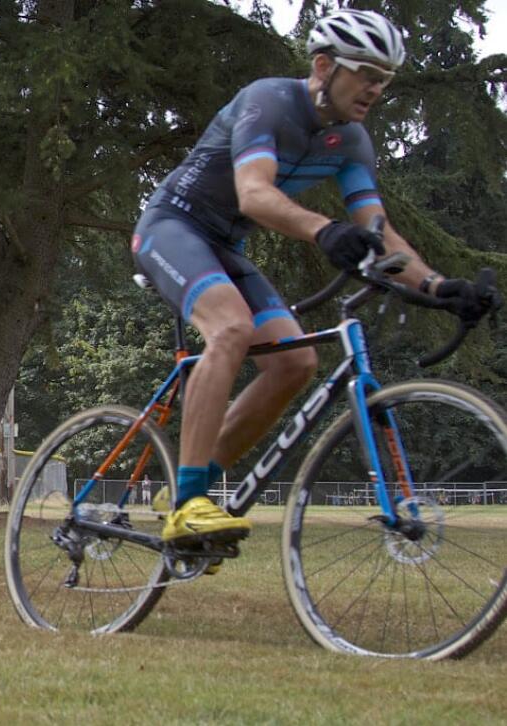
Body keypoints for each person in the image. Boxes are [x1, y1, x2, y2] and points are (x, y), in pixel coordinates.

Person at [130, 9, 501, 546]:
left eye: (384, 79)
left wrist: (440, 287)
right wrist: (325, 231)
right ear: (324, 66)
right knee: (231, 328)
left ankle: (190, 489)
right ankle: (187, 505)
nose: (376, 88)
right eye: (366, 73)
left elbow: (379, 231)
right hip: (171, 226)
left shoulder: (351, 142)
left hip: (225, 247)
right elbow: (253, 194)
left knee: (295, 361)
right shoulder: (270, 101)